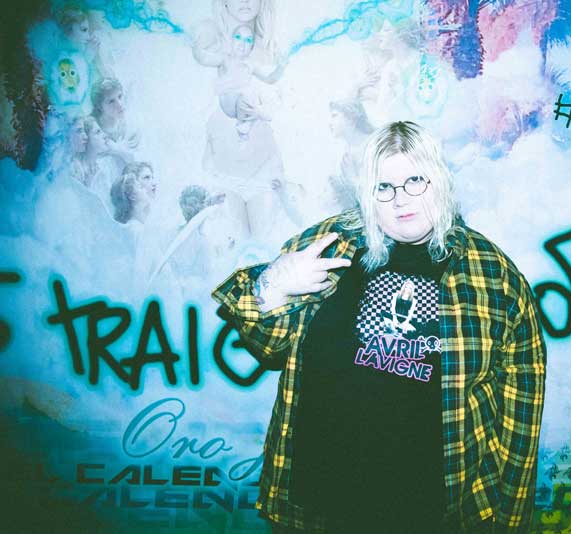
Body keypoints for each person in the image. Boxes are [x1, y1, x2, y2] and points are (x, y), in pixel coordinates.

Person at [212, 121, 546, 533]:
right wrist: (272, 287)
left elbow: (521, 404)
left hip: (434, 516)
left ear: (439, 180)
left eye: (415, 181)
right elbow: (270, 346)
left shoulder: (492, 274)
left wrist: (507, 520)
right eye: (383, 187)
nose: (400, 199)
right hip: (315, 508)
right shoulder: (329, 244)